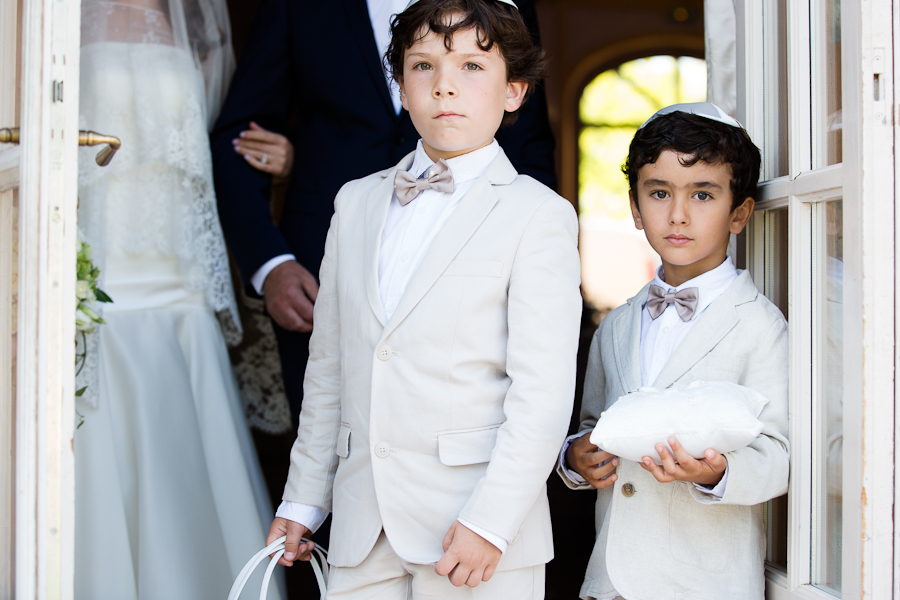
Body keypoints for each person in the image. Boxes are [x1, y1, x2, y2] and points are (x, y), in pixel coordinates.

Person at [266, 0, 582, 597]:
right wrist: (304, 499)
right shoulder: (354, 203)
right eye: (422, 66)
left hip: (475, 534)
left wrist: (491, 522)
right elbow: (329, 372)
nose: (444, 87)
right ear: (402, 89)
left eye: (471, 67)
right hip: (363, 530)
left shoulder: (538, 214)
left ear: (514, 91)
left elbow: (541, 394)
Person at [210, 0, 557, 427]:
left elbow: (530, 144)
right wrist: (270, 264)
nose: (443, 86)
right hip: (315, 273)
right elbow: (242, 135)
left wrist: (514, 261)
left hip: (470, 278)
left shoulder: (501, 5)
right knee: (326, 428)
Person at [74, 1, 282, 598]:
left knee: (189, 451)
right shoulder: (62, 18)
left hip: (178, 265)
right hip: (105, 267)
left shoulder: (197, 27)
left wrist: (283, 159)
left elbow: (221, 141)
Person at [557, 103, 790, 600]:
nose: (678, 214)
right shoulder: (616, 325)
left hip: (705, 582)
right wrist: (576, 459)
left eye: (703, 194)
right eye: (659, 193)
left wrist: (718, 471)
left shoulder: (760, 326)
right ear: (637, 209)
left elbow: (780, 454)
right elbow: (592, 425)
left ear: (740, 212)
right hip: (610, 579)